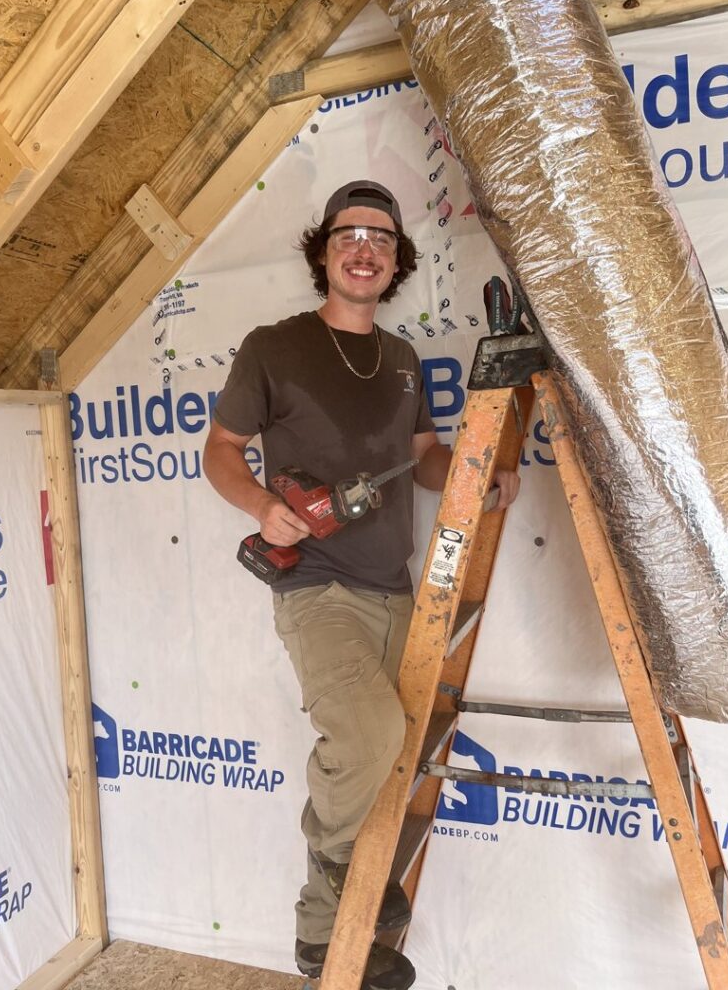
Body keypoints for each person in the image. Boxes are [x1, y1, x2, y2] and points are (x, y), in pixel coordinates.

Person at [203, 180, 519, 990]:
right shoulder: (273, 347)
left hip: (397, 589)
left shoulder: (403, 358)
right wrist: (264, 505)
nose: (364, 247)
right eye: (350, 234)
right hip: (316, 586)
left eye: (381, 237)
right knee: (369, 736)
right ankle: (344, 879)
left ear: (395, 262)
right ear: (324, 251)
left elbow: (423, 460)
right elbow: (222, 449)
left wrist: (475, 478)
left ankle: (322, 941)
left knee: (390, 758)